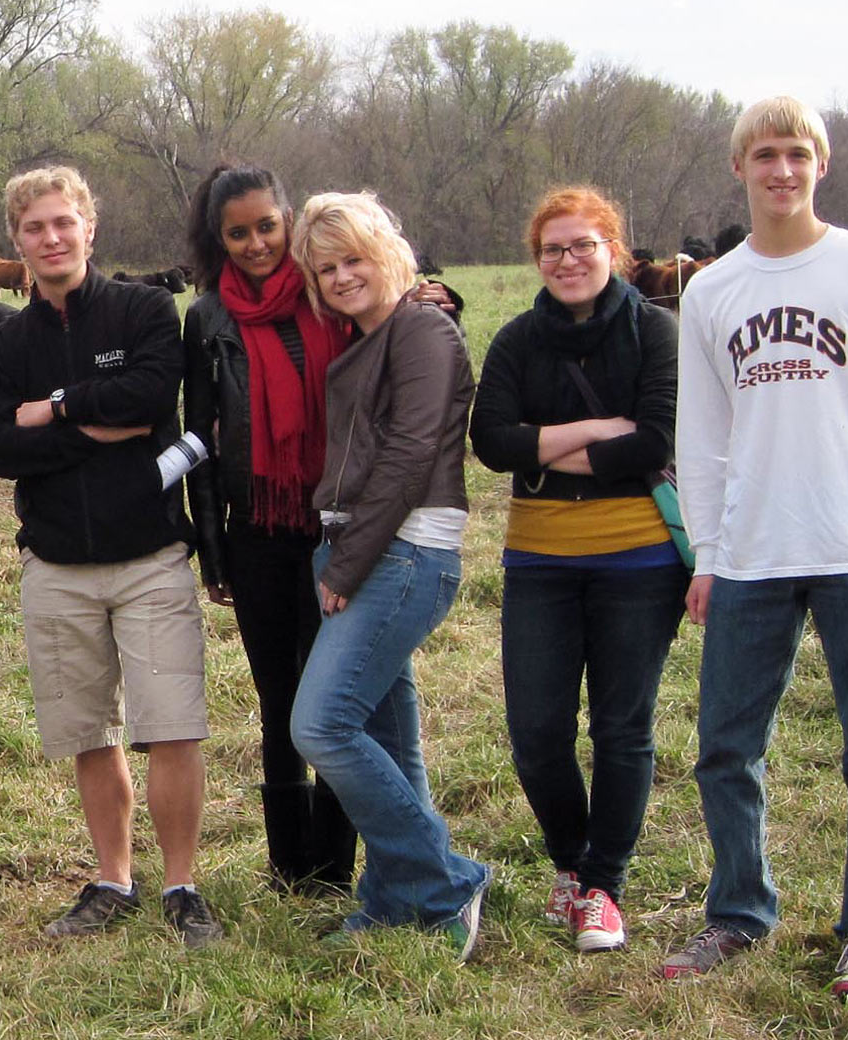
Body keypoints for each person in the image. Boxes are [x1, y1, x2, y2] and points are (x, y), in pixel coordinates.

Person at [658, 96, 848, 1001]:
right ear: (739, 168)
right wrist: (705, 552)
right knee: (724, 748)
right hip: (750, 551)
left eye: (796, 154)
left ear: (820, 165)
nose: (781, 171)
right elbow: (700, 438)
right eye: (764, 156)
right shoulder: (712, 289)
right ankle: (739, 911)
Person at [0, 167, 215, 946]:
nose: (51, 238)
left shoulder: (144, 309)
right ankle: (113, 880)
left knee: (171, 726)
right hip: (57, 565)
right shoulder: (6, 343)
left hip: (150, 555)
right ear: (16, 241)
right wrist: (88, 433)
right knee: (89, 734)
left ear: (90, 227)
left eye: (63, 223)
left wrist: (58, 410)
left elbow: (149, 401)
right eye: (34, 228)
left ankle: (181, 886)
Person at [470, 186, 686, 955]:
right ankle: (571, 857)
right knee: (535, 733)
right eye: (553, 249)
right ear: (537, 259)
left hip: (639, 555)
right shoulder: (517, 340)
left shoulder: (656, 333)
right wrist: (598, 428)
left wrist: (549, 444)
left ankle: (601, 888)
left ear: (614, 250)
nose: (568, 260)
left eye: (583, 245)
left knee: (622, 727)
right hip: (539, 558)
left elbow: (654, 438)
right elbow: (491, 442)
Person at [284, 191, 491, 959]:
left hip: (403, 553)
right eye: (326, 267)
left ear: (388, 253)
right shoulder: (369, 337)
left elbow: (409, 457)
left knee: (322, 725)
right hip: (365, 549)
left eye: (354, 259)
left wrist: (344, 564)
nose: (341, 277)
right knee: (387, 740)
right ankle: (397, 898)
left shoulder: (422, 329)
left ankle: (445, 880)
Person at [177, 165, 357, 896]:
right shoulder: (208, 318)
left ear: (291, 220)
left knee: (336, 703)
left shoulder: (329, 292)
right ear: (218, 240)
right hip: (254, 530)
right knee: (279, 701)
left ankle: (338, 868)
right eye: (238, 233)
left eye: (267, 227)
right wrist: (211, 547)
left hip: (336, 530)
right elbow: (199, 438)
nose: (256, 244)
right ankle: (291, 870)